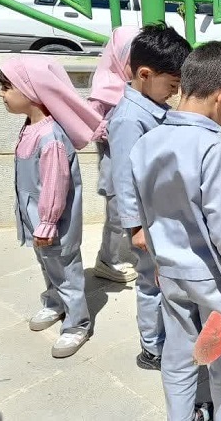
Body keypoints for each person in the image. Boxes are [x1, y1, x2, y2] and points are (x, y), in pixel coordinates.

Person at [130, 42, 221, 421]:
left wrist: (159, 259)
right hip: (212, 282)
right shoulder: (212, 147)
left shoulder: (146, 142)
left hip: (170, 274)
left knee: (178, 358)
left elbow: (145, 210)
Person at [0, 56, 104, 358]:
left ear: (31, 91)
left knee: (66, 274)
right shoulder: (31, 128)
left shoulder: (51, 138)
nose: (1, 93)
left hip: (53, 225)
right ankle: (55, 303)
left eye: (7, 87)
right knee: (49, 266)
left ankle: (77, 324)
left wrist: (47, 222)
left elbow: (55, 186)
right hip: (38, 222)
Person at [106, 23, 192, 370]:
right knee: (150, 282)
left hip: (161, 215)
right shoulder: (129, 119)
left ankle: (166, 338)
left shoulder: (151, 107)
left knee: (163, 279)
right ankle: (153, 348)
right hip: (147, 222)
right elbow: (124, 178)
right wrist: (135, 227)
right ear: (144, 74)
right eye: (171, 85)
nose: (174, 92)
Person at [89, 26, 140, 284]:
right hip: (114, 164)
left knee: (133, 210)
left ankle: (136, 251)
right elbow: (89, 123)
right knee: (117, 215)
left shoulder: (135, 86)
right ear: (119, 59)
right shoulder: (104, 88)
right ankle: (107, 260)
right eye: (132, 61)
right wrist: (110, 130)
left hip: (134, 163)